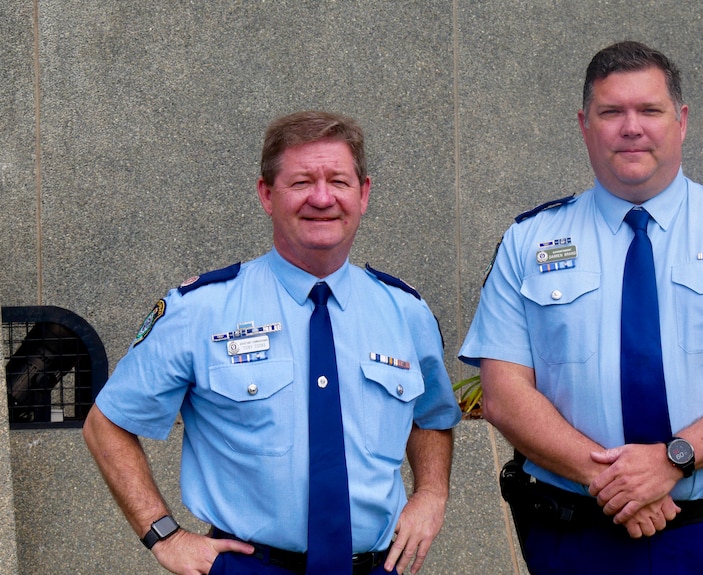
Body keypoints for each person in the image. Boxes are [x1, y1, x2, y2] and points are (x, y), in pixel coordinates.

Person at [459, 41, 703, 575]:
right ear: (585, 125)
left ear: (680, 121)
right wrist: (618, 482)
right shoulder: (529, 242)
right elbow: (504, 394)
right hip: (579, 537)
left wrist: (672, 459)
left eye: (649, 110)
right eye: (611, 112)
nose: (631, 127)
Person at [84, 110, 462, 575]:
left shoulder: (406, 313)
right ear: (266, 194)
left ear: (363, 194)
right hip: (251, 567)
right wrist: (164, 535)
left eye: (339, 182)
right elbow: (108, 424)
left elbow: (432, 417)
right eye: (302, 182)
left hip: (379, 567)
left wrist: (431, 494)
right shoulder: (200, 311)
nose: (322, 198)